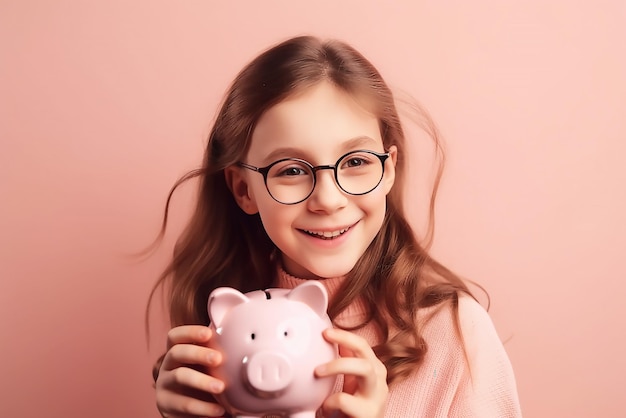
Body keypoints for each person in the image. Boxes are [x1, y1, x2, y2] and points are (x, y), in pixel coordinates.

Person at [149, 35, 522, 417]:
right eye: (291, 170)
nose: (328, 200)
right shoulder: (219, 331)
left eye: (356, 162)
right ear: (244, 189)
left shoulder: (455, 331)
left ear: (388, 169)